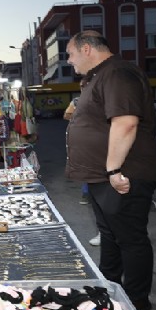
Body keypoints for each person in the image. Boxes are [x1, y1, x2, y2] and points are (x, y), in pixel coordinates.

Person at [65, 30, 156, 310]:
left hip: (123, 174)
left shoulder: (117, 73)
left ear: (86, 49)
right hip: (102, 175)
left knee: (131, 238)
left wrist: (113, 169)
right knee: (109, 234)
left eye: (70, 54)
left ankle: (136, 301)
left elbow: (126, 122)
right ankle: (108, 285)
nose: (70, 62)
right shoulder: (99, 76)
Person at [64, 95, 100, 246]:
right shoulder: (77, 101)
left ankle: (109, 233)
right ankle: (104, 232)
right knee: (95, 186)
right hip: (90, 152)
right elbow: (66, 115)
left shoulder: (106, 98)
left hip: (104, 152)